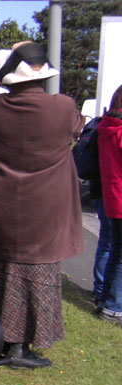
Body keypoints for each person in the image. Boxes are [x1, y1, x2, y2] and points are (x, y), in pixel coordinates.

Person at [0, 42, 85, 368]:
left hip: (2, 203)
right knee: (38, 273)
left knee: (0, 270)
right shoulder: (63, 107)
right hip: (46, 209)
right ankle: (22, 346)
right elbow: (76, 127)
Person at [96, 84, 122, 327]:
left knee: (114, 251)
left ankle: (105, 300)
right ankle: (114, 308)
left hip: (112, 196)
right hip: (119, 197)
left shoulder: (107, 128)